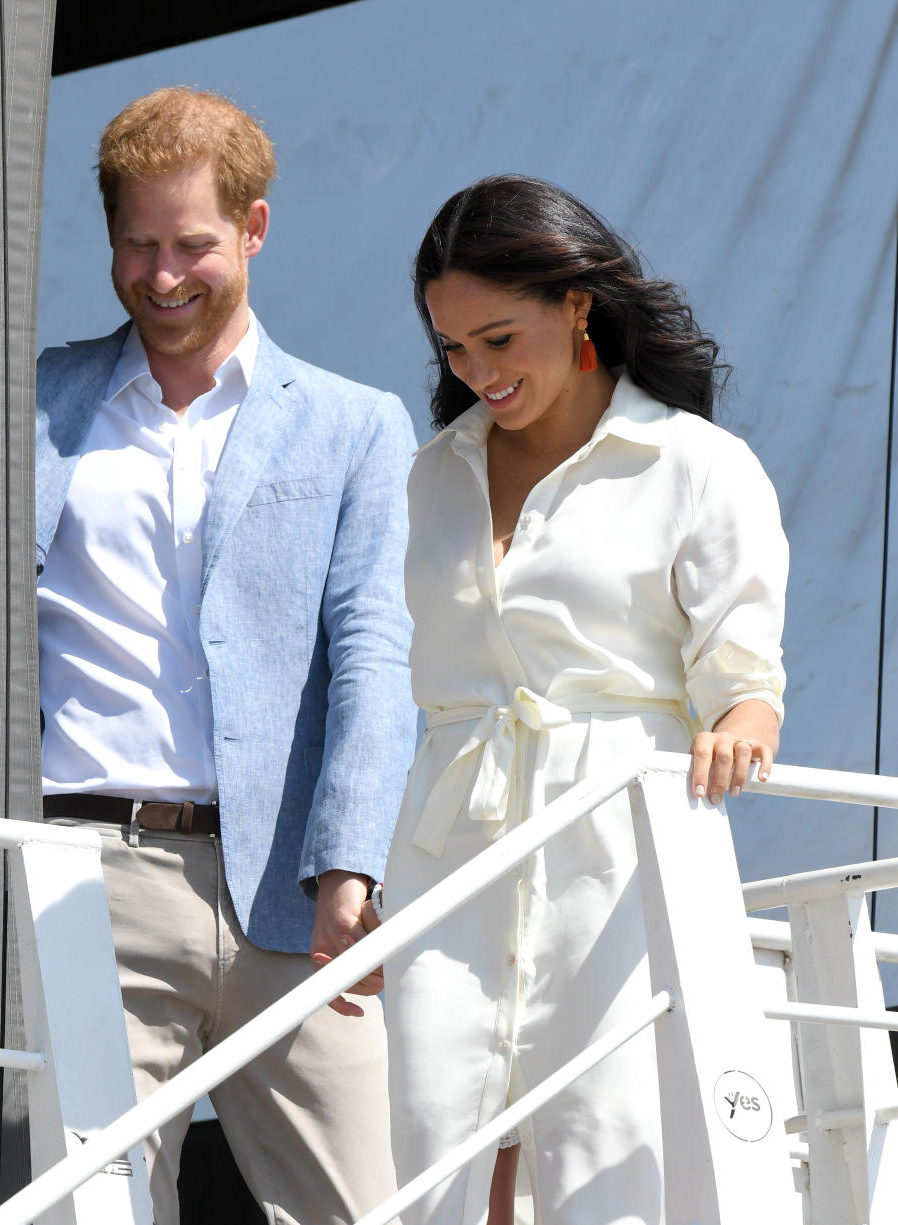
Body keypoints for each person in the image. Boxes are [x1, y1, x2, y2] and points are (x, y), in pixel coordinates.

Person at [35, 87, 417, 1225]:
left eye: (193, 244)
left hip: (296, 893)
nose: (162, 276)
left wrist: (351, 862)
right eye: (137, 245)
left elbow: (375, 650)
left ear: (254, 229)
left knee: (364, 1210)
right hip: (86, 876)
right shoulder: (36, 399)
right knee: (98, 1211)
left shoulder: (356, 423)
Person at [377, 175, 788, 1225]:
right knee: (437, 1147)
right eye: (454, 349)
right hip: (452, 848)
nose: (478, 372)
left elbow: (743, 665)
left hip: (618, 840)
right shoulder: (432, 476)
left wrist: (746, 715)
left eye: (500, 339)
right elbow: (419, 680)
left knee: (611, 1147)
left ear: (579, 305)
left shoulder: (697, 465)